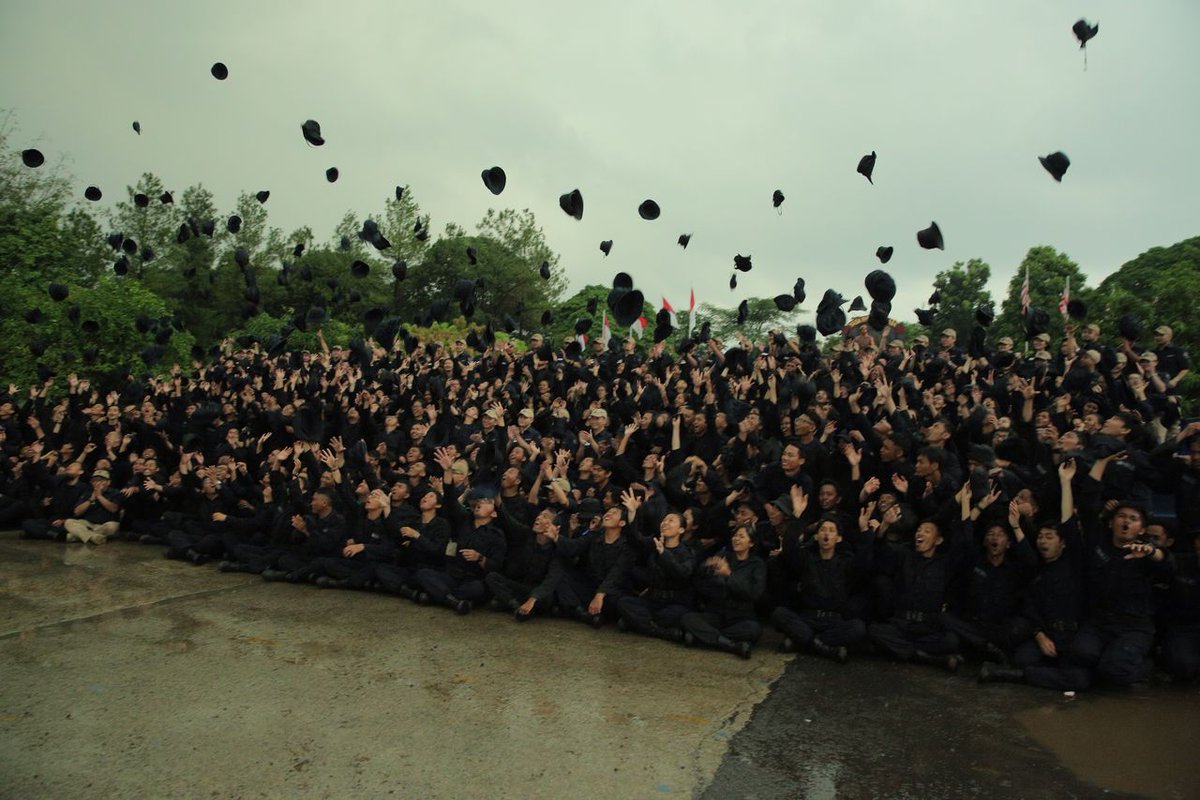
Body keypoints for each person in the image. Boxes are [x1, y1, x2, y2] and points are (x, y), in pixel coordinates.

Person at [681, 525, 766, 658]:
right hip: (716, 612)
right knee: (688, 619)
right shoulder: (724, 556)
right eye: (735, 536)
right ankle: (731, 645)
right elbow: (701, 581)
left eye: (741, 536)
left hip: (740, 615)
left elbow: (753, 593)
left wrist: (729, 574)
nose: (736, 539)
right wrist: (706, 566)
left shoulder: (757, 564)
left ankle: (704, 637)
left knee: (754, 630)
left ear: (751, 543)